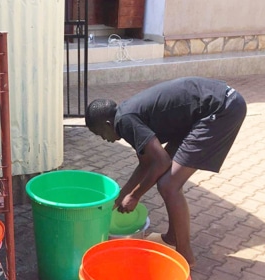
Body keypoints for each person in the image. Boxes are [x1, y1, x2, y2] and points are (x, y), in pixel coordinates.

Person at [85, 76, 247, 267]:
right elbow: (146, 164)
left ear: (107, 124)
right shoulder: (125, 115)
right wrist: (120, 198)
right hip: (208, 108)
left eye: (99, 134)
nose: (103, 139)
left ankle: (185, 256)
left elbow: (161, 161)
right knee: (165, 179)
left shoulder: (125, 121)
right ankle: (172, 238)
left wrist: (135, 196)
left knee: (169, 185)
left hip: (220, 108)